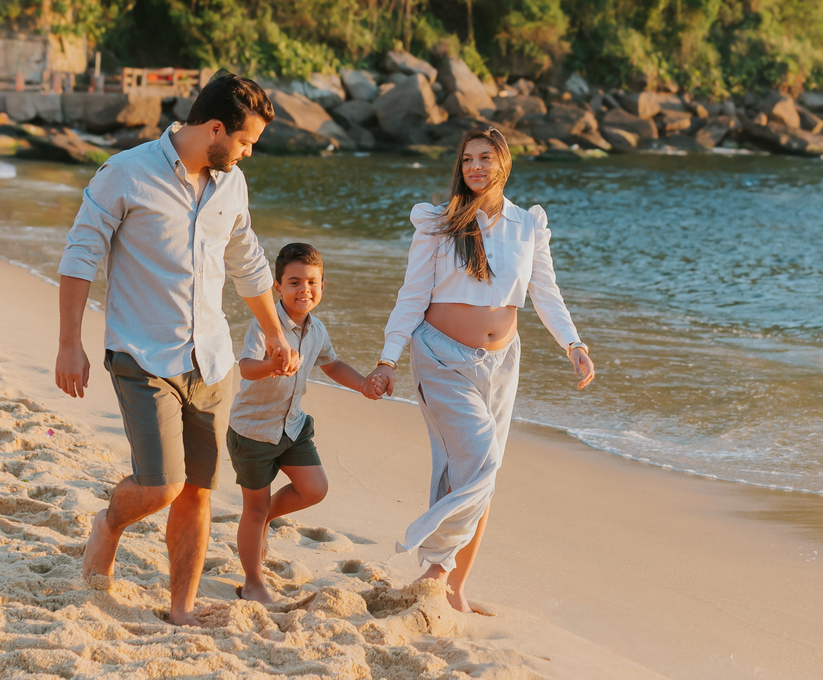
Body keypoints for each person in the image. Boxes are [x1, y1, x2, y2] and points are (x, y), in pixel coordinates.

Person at [55, 71, 296, 626]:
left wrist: (276, 333)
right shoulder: (125, 173)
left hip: (211, 360)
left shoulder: (230, 184)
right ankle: (107, 524)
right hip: (142, 355)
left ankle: (181, 608)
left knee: (197, 491)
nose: (248, 153)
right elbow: (80, 254)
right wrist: (70, 344)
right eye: (245, 141)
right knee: (161, 485)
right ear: (214, 129)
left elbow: (248, 261)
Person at [376, 123, 593, 614]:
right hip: (440, 357)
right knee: (481, 462)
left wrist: (573, 343)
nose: (474, 167)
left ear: (503, 163)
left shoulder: (528, 225)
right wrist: (388, 357)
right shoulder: (439, 222)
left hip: (502, 363)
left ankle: (455, 588)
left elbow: (545, 292)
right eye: (467, 159)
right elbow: (412, 295)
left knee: (480, 476)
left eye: (485, 158)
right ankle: (435, 565)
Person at [228, 240, 393, 604]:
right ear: (277, 287)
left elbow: (332, 364)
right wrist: (271, 365)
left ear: (322, 286)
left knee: (314, 488)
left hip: (292, 426)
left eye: (312, 282)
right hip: (253, 431)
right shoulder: (266, 326)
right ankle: (253, 581)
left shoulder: (316, 329)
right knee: (253, 507)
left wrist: (363, 384)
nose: (304, 289)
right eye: (294, 282)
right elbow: (246, 368)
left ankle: (264, 519)